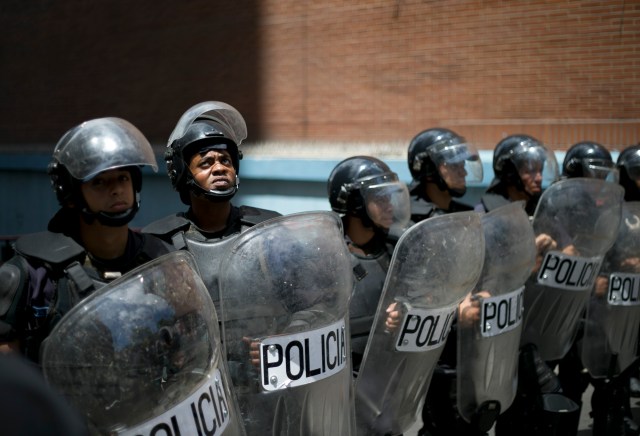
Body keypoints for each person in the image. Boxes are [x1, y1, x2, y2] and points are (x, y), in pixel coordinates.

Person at [0, 117, 173, 363]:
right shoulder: (35, 274)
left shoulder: (161, 259)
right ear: (71, 195)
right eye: (99, 182)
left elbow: (191, 348)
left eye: (123, 178)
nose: (116, 190)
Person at [142, 101, 280, 308]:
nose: (219, 168)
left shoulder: (269, 229)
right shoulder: (158, 243)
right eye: (206, 163)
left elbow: (308, 301)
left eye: (226, 160)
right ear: (182, 173)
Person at [405, 127, 484, 436]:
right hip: (428, 346)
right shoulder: (407, 220)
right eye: (454, 164)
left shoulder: (465, 214)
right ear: (428, 170)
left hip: (468, 339)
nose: (463, 170)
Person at [326, 155, 411, 373]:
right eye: (381, 199)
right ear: (355, 203)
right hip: (344, 378)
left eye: (389, 198)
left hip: (393, 371)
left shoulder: (398, 249)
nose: (390, 206)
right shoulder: (325, 255)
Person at [407, 127, 483, 222]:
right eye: (454, 166)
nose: (464, 173)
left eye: (462, 165)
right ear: (429, 170)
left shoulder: (467, 216)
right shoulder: (407, 220)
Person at [476, 134, 559, 216]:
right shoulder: (486, 212)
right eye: (531, 171)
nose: (539, 178)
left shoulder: (546, 209)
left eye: (540, 170)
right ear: (510, 174)